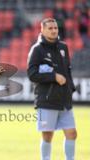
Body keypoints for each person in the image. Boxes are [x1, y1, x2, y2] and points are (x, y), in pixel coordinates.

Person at [27, 18, 77, 160]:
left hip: (64, 99)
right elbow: (32, 74)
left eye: (55, 28)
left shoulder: (63, 47)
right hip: (47, 100)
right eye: (50, 28)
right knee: (48, 135)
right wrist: (53, 76)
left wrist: (70, 88)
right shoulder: (37, 50)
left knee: (72, 133)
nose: (54, 30)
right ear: (42, 30)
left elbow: (68, 70)